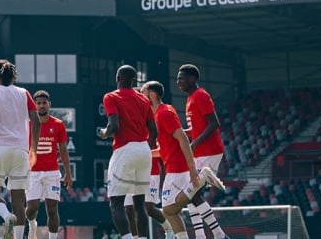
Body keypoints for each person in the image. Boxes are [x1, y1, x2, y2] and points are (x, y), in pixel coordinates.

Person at [142, 80, 226, 239]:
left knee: (169, 210)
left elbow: (182, 139)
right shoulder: (162, 112)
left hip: (177, 168)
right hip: (174, 166)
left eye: (143, 93)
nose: (140, 97)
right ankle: (213, 234)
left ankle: (202, 179)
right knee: (176, 209)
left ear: (152, 95)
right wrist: (145, 154)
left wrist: (193, 169)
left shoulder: (163, 113)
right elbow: (166, 149)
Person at [0, 59, 41, 239]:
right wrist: (33, 149)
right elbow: (36, 121)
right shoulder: (24, 93)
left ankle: (6, 217)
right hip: (21, 151)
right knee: (19, 202)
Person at [97, 65, 157, 239]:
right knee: (139, 204)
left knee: (116, 203)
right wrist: (146, 147)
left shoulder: (110, 96)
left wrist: (103, 133)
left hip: (124, 149)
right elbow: (154, 131)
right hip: (144, 150)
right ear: (134, 80)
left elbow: (114, 126)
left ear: (117, 78)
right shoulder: (144, 100)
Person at [176, 64, 229, 239]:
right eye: (177, 79)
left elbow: (214, 123)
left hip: (209, 151)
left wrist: (194, 144)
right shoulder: (190, 98)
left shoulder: (201, 95)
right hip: (200, 152)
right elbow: (195, 129)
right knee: (190, 193)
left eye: (181, 78)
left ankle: (218, 235)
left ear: (192, 79)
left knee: (191, 193)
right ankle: (202, 235)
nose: (178, 82)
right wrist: (177, 134)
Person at [25, 90, 73, 239]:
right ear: (34, 106)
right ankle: (32, 223)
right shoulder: (27, 125)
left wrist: (68, 173)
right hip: (32, 173)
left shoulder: (58, 124)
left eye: (44, 103)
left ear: (49, 104)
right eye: (38, 103)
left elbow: (64, 150)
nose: (41, 106)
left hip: (52, 173)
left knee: (52, 210)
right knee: (31, 209)